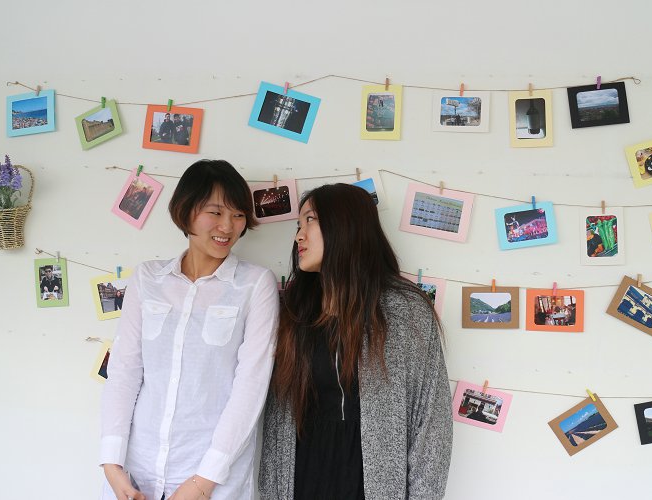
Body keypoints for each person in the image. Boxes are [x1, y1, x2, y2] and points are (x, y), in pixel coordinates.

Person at [99, 159, 279, 500]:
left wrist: (202, 482)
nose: (228, 226)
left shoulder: (255, 284)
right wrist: (112, 464)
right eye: (215, 212)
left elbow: (251, 386)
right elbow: (124, 371)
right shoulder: (148, 278)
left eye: (238, 215)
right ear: (185, 211)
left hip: (213, 478)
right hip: (136, 473)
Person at [259, 183, 452, 500]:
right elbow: (277, 417)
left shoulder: (404, 311)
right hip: (304, 473)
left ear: (344, 225)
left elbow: (431, 423)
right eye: (298, 225)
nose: (299, 236)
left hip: (374, 481)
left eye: (310, 220)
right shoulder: (294, 310)